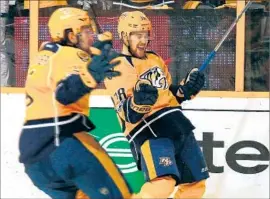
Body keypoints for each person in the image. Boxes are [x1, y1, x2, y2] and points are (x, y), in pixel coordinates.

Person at [19, 7, 136, 199]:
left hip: (33, 157)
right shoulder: (71, 55)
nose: (91, 36)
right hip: (63, 142)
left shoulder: (44, 56)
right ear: (71, 35)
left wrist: (95, 52)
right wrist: (90, 74)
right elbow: (64, 93)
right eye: (87, 31)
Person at [104, 11, 209, 198]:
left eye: (146, 34)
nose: (143, 40)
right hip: (149, 131)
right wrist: (138, 102)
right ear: (124, 36)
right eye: (137, 35)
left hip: (177, 124)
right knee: (162, 185)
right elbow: (128, 113)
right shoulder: (116, 66)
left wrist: (187, 89)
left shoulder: (154, 59)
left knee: (196, 184)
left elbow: (170, 94)